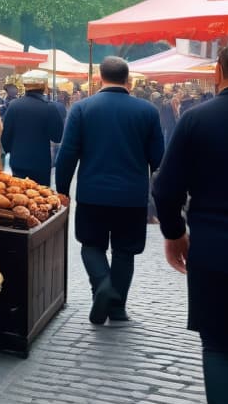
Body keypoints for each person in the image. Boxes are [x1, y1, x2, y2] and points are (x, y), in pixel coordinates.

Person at [152, 37, 228, 404]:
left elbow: (166, 189)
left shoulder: (197, 119)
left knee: (220, 345)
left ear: (219, 71)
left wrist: (174, 233)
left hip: (216, 250)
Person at [55, 56, 164, 326]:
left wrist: (62, 190)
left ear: (99, 78)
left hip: (93, 193)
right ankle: (117, 309)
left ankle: (102, 285)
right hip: (132, 196)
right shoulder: (147, 112)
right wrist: (157, 196)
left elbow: (68, 154)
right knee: (125, 251)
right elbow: (159, 159)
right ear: (128, 80)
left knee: (91, 245)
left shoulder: (82, 109)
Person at [1, 70, 63, 184]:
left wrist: (13, 151)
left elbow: (5, 136)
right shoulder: (50, 108)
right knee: (41, 198)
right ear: (44, 86)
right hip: (41, 163)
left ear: (25, 86)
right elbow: (57, 137)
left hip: (18, 161)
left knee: (20, 197)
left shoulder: (14, 106)